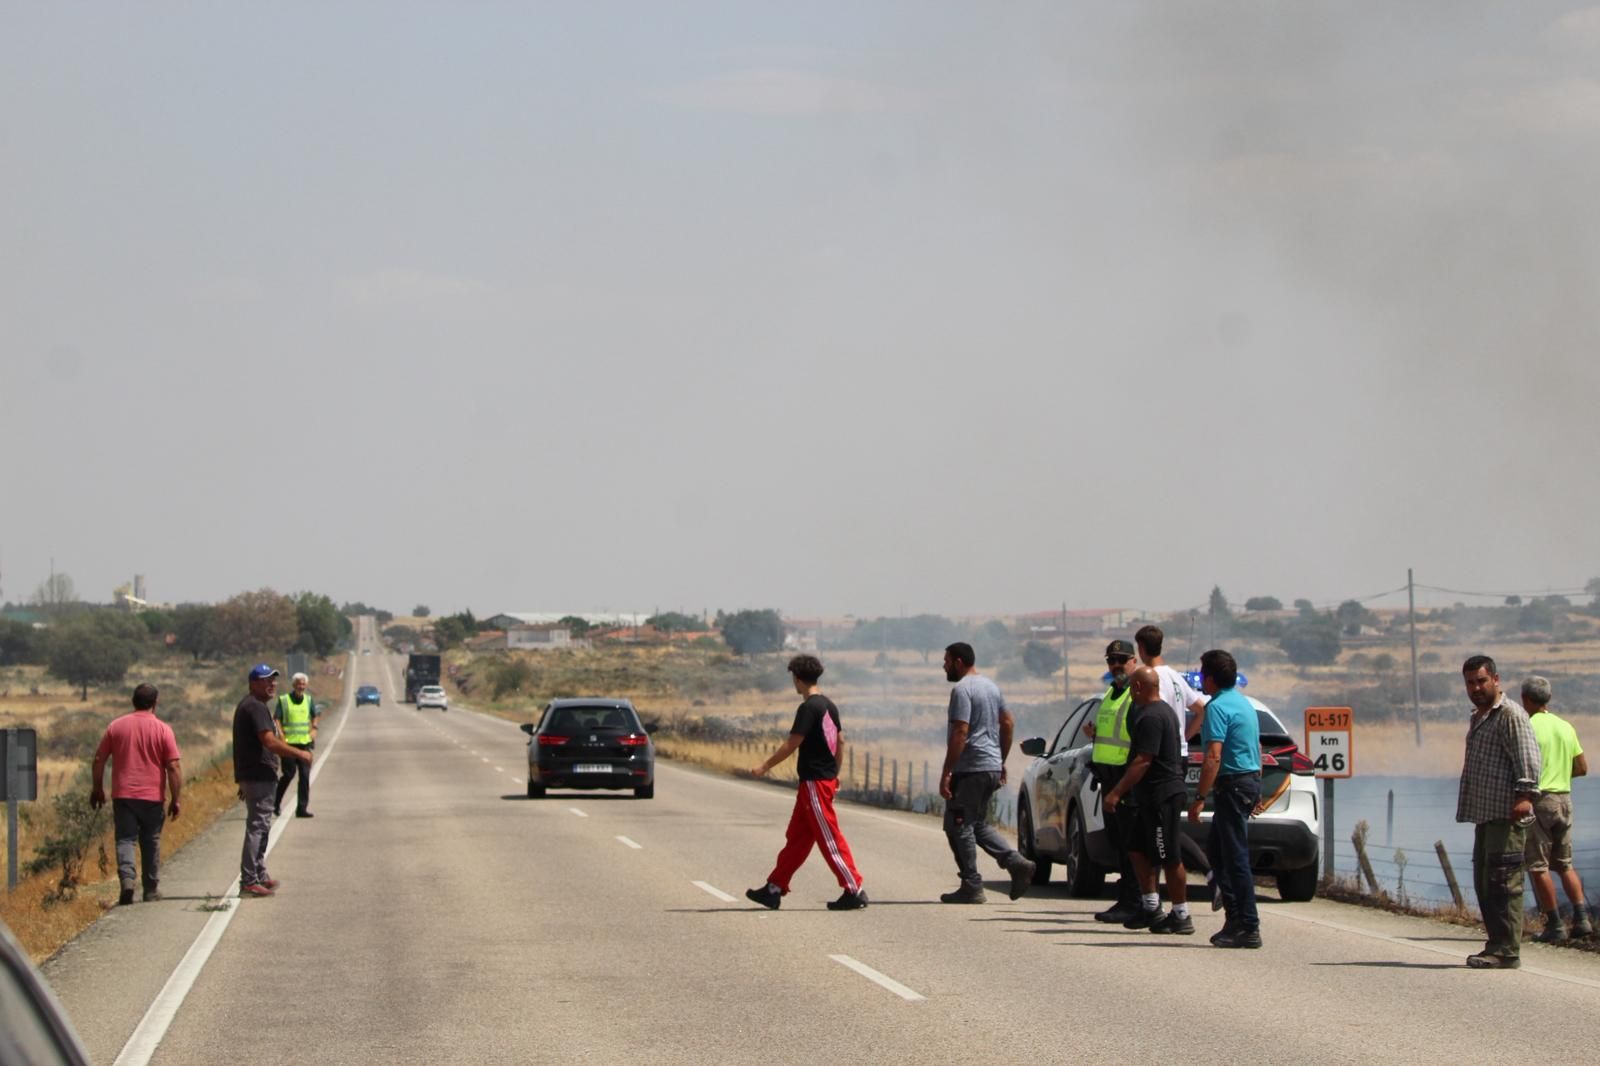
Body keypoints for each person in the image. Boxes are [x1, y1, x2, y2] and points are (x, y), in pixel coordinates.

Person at [744, 655, 867, 911]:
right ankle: (774, 888)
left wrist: (764, 766)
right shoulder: (829, 705)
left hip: (815, 782)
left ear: (797, 679)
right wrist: (835, 772)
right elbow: (840, 741)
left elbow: (792, 743)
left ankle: (854, 889)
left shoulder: (809, 708)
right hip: (819, 780)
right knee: (798, 837)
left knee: (828, 836)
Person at [1456, 654, 1541, 969]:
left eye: (1481, 681)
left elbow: (1527, 758)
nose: (1476, 688)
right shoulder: (1480, 716)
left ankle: (1506, 951)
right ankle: (1495, 945)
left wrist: (1524, 796)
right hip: (1486, 814)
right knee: (1486, 883)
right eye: (1470, 683)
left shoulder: (1510, 715)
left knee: (1505, 883)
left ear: (1495, 679)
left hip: (1507, 815)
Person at [937, 642, 1035, 904]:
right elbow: (1008, 722)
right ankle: (1016, 863)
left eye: (947, 661)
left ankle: (972, 885)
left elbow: (961, 730)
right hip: (989, 765)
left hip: (970, 768)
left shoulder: (962, 690)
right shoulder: (991, 687)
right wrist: (1000, 760)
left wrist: (947, 772)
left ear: (958, 662)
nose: (944, 666)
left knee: (960, 825)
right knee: (974, 823)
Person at [1104, 667, 1192, 934]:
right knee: (1137, 849)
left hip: (1162, 795)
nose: (1130, 692)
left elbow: (1143, 760)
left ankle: (1181, 914)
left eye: (1132, 687)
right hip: (1147, 797)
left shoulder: (1152, 716)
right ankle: (1151, 906)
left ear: (1139, 687)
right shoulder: (1154, 711)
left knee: (1168, 856)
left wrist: (1116, 791)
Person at [1188, 649, 1261, 948]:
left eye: (1203, 673)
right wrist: (1256, 789)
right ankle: (1234, 920)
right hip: (1247, 781)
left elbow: (1213, 757)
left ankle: (1248, 925)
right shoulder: (1244, 703)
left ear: (1210, 679)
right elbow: (1254, 746)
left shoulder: (1217, 707)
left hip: (1233, 786)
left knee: (1235, 858)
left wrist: (1199, 797)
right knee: (1218, 853)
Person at [90, 684, 182, 905]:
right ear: (155, 703)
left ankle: (127, 882)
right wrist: (176, 798)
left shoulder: (116, 727)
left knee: (125, 839)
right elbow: (173, 766)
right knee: (151, 841)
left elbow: (99, 759)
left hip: (124, 796)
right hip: (152, 797)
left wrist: (98, 788)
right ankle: (150, 889)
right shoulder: (163, 729)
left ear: (133, 701)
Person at [1519, 676, 1590, 943]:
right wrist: (1560, 774)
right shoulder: (1565, 726)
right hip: (1564, 800)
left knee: (1538, 866)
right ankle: (1582, 919)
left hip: (1540, 801)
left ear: (1526, 699)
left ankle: (1555, 924)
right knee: (1564, 865)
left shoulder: (1527, 726)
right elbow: (1582, 767)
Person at [234, 664, 312, 897]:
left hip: (256, 775)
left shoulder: (254, 706)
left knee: (262, 825)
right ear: (253, 683)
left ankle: (259, 874)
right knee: (258, 826)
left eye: (273, 680)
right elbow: (269, 741)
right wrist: (300, 754)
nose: (272, 684)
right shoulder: (255, 707)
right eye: (266, 680)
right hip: (258, 775)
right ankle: (249, 881)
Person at [1082, 639, 1141, 922]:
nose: (1115, 665)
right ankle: (1128, 899)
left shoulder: (1135, 694)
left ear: (1134, 661)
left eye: (1121, 660)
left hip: (1126, 779)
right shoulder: (1111, 692)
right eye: (1111, 660)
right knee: (1119, 844)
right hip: (1108, 778)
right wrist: (1094, 735)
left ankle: (1134, 902)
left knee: (1131, 846)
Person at [1133, 625, 1209, 755]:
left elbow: (1156, 714)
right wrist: (1184, 738)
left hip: (1163, 753)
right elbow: (1202, 710)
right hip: (1180, 753)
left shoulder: (1152, 679)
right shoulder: (1176, 676)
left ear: (1141, 649)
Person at [273, 672, 322, 818]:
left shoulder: (308, 700)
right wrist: (281, 736)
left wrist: (314, 728)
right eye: (299, 684)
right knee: (289, 774)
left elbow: (315, 715)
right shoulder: (284, 700)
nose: (301, 686)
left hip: (304, 744)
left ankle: (301, 809)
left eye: (303, 684)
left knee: (305, 776)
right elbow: (277, 719)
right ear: (294, 685)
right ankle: (275, 803)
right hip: (288, 745)